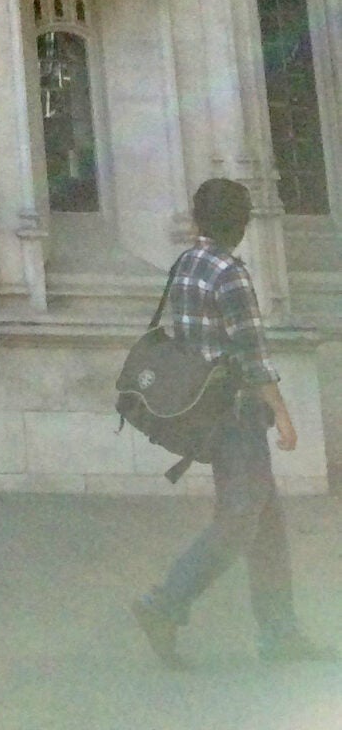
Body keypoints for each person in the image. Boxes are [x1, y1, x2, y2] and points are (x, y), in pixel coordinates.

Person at [132, 178, 333, 668]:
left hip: (205, 407)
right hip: (237, 411)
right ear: (241, 225)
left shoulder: (186, 264)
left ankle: (279, 632)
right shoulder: (230, 273)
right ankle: (166, 603)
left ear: (199, 218)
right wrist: (283, 415)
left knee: (265, 523)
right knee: (241, 518)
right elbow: (252, 354)